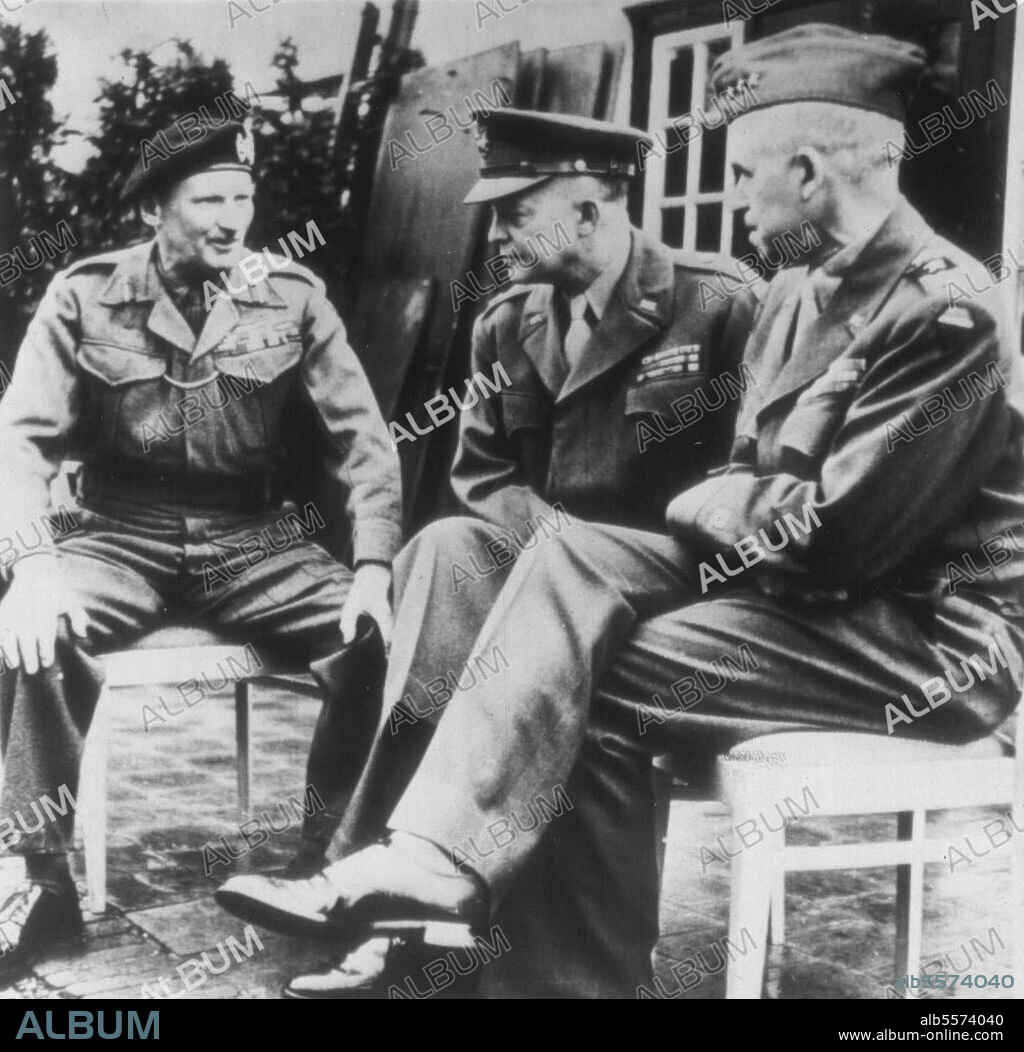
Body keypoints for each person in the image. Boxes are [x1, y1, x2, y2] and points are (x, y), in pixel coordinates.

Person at [222, 19, 1024, 997]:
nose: (732, 200)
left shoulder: (945, 308)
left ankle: (533, 949)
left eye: (742, 176)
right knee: (550, 586)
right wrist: (734, 500)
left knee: (576, 664)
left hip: (921, 642)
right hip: (796, 596)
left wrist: (728, 498)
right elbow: (757, 491)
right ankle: (441, 872)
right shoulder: (792, 296)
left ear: (809, 173)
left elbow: (844, 538)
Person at [217, 106, 760, 998]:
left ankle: (388, 884)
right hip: (549, 579)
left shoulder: (718, 302)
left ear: (589, 208)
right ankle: (388, 878)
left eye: (515, 211)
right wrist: (549, 545)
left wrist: (577, 554)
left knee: (544, 592)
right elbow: (483, 474)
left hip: (678, 591)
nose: (496, 233)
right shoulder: (506, 323)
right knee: (441, 550)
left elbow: (753, 486)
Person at [0, 115, 402, 980]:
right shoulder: (84, 295)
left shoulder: (292, 297)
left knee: (373, 637)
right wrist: (31, 565)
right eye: (208, 199)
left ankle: (334, 867)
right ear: (154, 209)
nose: (231, 219)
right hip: (117, 534)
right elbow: (20, 439)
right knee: (35, 634)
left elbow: (363, 443)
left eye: (243, 198)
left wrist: (373, 565)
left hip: (254, 539)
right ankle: (42, 882)